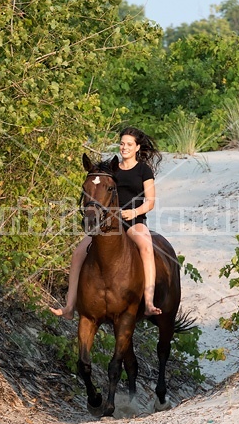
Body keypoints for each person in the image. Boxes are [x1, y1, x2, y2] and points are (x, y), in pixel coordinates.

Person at [50, 126, 162, 320]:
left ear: (137, 148)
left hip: (133, 220)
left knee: (145, 245)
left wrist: (132, 212)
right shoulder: (111, 168)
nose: (124, 147)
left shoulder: (144, 170)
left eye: (129, 144)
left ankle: (149, 302)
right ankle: (69, 306)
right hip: (107, 223)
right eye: (122, 143)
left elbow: (150, 201)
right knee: (78, 253)